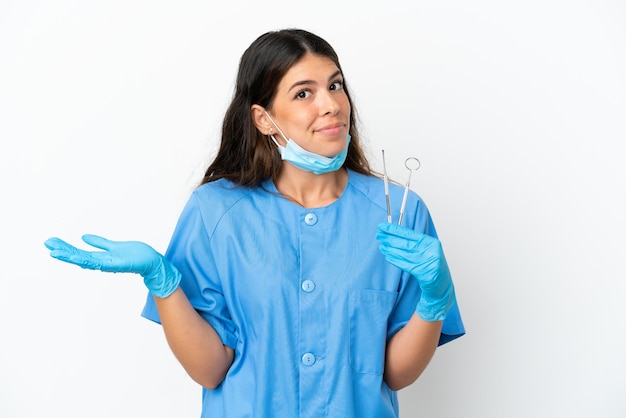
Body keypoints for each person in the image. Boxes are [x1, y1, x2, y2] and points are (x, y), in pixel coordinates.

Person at [44, 28, 465, 417]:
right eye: (304, 93)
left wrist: (433, 300)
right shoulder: (215, 211)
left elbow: (395, 374)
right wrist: (162, 282)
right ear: (264, 119)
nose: (331, 104)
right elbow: (211, 370)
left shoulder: (400, 212)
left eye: (335, 85)